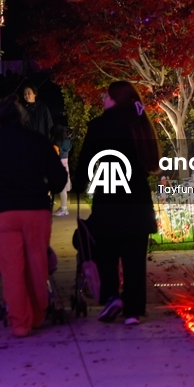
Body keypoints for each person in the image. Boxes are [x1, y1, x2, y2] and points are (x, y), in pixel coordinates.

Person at [0, 97, 68, 338]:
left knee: (12, 270)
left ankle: (19, 323)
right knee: (37, 263)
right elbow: (58, 178)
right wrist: (48, 187)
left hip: (3, 212)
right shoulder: (38, 141)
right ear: (22, 117)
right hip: (35, 209)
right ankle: (37, 314)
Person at [78, 81, 159, 326]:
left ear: (115, 99)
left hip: (109, 198)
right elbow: (150, 162)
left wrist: (83, 183)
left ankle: (112, 295)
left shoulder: (100, 126)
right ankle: (133, 309)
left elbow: (85, 165)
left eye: (106, 95)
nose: (103, 99)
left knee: (107, 253)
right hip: (137, 200)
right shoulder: (140, 123)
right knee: (134, 258)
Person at [50, 125, 73, 216]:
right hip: (65, 165)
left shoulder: (56, 143)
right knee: (63, 188)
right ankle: (63, 207)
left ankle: (64, 209)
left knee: (61, 189)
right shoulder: (68, 142)